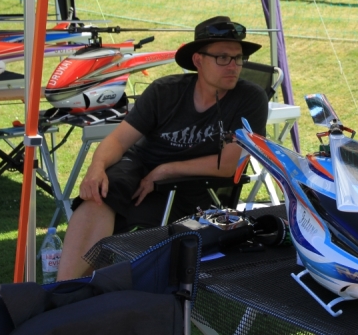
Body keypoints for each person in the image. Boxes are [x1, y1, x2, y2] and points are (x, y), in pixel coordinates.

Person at [57, 16, 270, 280]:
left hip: (189, 188)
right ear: (198, 60)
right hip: (138, 168)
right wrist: (96, 168)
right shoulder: (165, 91)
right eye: (223, 58)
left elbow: (227, 165)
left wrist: (165, 170)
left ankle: (78, 289)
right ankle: (66, 288)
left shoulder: (249, 98)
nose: (233, 67)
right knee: (99, 193)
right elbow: (119, 140)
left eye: (238, 58)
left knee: (124, 216)